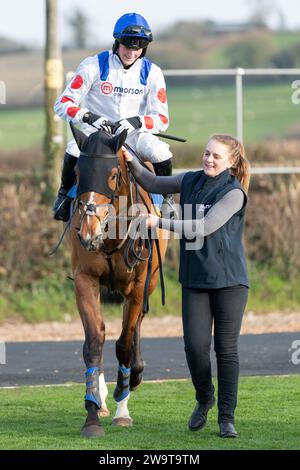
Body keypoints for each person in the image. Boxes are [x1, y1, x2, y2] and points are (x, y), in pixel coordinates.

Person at [122, 133, 250, 438]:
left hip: (230, 282)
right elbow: (151, 183)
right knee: (194, 348)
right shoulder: (191, 180)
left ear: (231, 162)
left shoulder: (234, 193)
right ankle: (205, 398)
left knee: (226, 350)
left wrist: (158, 222)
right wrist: (130, 159)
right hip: (195, 280)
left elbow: (203, 227)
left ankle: (226, 417)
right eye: (207, 153)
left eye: (216, 156)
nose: (209, 159)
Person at [53, 12, 175, 221]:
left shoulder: (153, 72)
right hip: (97, 134)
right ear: (117, 42)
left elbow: (162, 119)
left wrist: (136, 121)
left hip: (134, 134)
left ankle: (168, 200)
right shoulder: (93, 65)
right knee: (73, 149)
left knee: (160, 151)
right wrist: (90, 117)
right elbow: (62, 104)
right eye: (127, 46)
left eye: (138, 48)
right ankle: (63, 196)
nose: (132, 52)